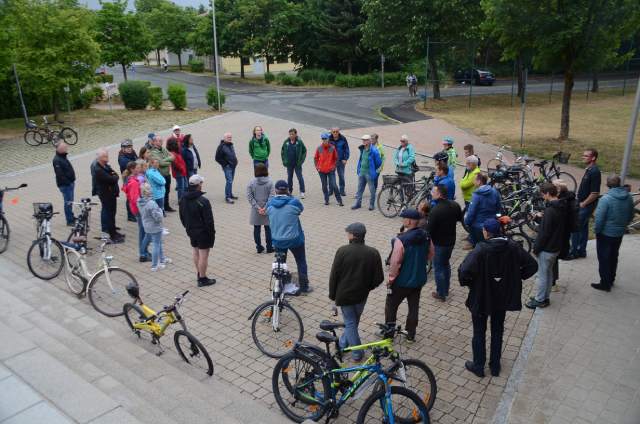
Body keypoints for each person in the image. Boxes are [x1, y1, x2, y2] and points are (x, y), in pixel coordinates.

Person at [458, 218, 538, 377]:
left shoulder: (480, 250)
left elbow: (464, 271)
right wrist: (515, 278)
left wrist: (471, 284)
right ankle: (495, 366)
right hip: (502, 297)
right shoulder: (513, 247)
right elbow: (532, 265)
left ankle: (478, 366)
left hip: (481, 297)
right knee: (497, 330)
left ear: (486, 232)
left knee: (479, 332)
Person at [329, 222, 384, 361]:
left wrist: (332, 294)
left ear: (353, 235)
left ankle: (357, 353)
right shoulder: (373, 252)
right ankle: (342, 345)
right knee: (353, 321)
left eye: (348, 232)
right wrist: (368, 287)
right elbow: (379, 278)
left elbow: (334, 275)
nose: (347, 234)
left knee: (350, 322)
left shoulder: (342, 251)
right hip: (361, 296)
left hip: (344, 295)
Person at [386, 209, 433, 342]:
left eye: (404, 218)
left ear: (410, 221)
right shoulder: (426, 235)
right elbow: (431, 255)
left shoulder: (400, 240)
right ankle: (410, 334)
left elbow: (395, 263)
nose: (403, 220)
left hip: (401, 282)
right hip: (418, 279)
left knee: (391, 306)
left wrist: (391, 279)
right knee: (413, 307)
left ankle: (389, 334)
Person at [525, 183, 566, 309]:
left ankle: (539, 299)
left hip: (548, 248)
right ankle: (545, 297)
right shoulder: (561, 206)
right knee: (548, 273)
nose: (542, 197)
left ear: (548, 193)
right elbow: (552, 226)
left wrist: (536, 249)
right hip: (556, 246)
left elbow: (544, 233)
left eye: (543, 194)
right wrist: (540, 218)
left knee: (542, 275)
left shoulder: (550, 211)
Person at [267, 180, 311, 295]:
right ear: (287, 190)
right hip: (295, 239)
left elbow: (267, 213)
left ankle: (281, 287)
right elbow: (300, 209)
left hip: (278, 241)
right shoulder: (294, 202)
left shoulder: (270, 204)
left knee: (281, 265)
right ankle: (304, 287)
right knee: (301, 261)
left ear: (275, 190)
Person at [592, 175, 634, 292]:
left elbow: (599, 219)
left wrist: (596, 230)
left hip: (605, 234)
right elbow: (631, 214)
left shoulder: (606, 199)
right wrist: (623, 225)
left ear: (607, 185)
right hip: (619, 233)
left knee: (604, 258)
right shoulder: (628, 197)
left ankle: (605, 283)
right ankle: (611, 278)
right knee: (614, 256)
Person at [179, 175, 216, 287]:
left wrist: (187, 227)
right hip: (202, 232)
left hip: (191, 230)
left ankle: (199, 273)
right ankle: (202, 278)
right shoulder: (203, 201)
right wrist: (211, 233)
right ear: (199, 184)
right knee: (203, 255)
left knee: (195, 251)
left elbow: (182, 216)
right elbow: (209, 221)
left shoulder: (183, 198)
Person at [427, 185, 463, 302]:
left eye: (433, 191)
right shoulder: (455, 205)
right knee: (446, 264)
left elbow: (429, 231)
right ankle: (446, 289)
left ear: (439, 194)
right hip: (451, 242)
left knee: (438, 268)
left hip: (439, 244)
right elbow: (459, 219)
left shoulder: (435, 211)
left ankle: (441, 293)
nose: (431, 193)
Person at [568, 148, 601, 259]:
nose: (583, 157)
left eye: (586, 156)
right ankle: (582, 251)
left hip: (586, 205)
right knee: (583, 227)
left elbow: (595, 193)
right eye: (584, 155)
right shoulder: (589, 170)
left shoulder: (595, 172)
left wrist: (583, 203)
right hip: (583, 203)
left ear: (593, 158)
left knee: (575, 228)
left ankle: (574, 252)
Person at [138, 183, 171, 272]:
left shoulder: (140, 201)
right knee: (156, 244)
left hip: (147, 225)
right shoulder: (152, 203)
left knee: (158, 242)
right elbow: (158, 217)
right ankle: (155, 265)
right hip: (155, 227)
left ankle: (163, 259)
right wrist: (160, 211)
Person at [94, 149, 124, 243]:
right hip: (106, 194)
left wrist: (114, 176)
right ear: (100, 158)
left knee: (113, 212)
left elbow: (115, 174)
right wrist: (114, 176)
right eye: (105, 156)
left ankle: (114, 231)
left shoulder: (105, 165)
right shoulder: (98, 169)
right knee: (109, 214)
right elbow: (112, 179)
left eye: (107, 156)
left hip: (111, 193)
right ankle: (112, 235)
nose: (107, 158)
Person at [123, 160, 150, 262]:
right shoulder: (133, 182)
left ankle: (145, 252)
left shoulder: (133, 179)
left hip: (138, 209)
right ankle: (143, 254)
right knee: (143, 232)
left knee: (144, 231)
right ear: (132, 169)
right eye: (138, 168)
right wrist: (143, 210)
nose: (140, 170)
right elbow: (135, 200)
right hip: (139, 210)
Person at [465, 173, 501, 246]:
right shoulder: (494, 191)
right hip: (491, 225)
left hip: (478, 227)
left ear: (479, 181)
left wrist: (467, 222)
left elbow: (471, 213)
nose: (473, 182)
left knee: (480, 246)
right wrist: (497, 219)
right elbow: (498, 208)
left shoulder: (476, 195)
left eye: (474, 180)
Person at [247, 164, 275, 253]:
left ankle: (258, 247)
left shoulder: (251, 182)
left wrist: (258, 208)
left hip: (256, 210)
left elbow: (249, 197)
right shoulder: (270, 182)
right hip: (267, 209)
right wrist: (265, 208)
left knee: (256, 228)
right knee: (268, 228)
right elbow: (272, 197)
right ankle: (269, 247)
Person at [352, 135, 383, 211]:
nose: (364, 141)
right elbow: (361, 159)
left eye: (365, 140)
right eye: (363, 140)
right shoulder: (362, 149)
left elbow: (379, 162)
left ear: (369, 141)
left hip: (369, 173)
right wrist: (359, 169)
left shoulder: (374, 150)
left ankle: (371, 205)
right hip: (362, 172)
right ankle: (358, 204)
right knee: (360, 189)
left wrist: (374, 170)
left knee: (372, 190)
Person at [314, 132, 343, 206]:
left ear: (328, 139)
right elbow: (315, 158)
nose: (324, 140)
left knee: (334, 185)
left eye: (325, 139)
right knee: (324, 186)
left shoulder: (332, 148)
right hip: (322, 171)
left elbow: (336, 158)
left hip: (330, 170)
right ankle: (326, 200)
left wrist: (334, 167)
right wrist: (317, 167)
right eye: (323, 139)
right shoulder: (319, 148)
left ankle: (339, 200)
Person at [148, 136, 175, 212]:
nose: (161, 142)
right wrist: (168, 162)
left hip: (167, 174)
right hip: (160, 175)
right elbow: (160, 163)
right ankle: (161, 208)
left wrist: (164, 160)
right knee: (161, 192)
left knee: (167, 191)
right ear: (154, 142)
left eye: (161, 140)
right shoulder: (153, 152)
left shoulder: (164, 149)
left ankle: (166, 206)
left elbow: (173, 157)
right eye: (159, 141)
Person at [52, 142, 76, 226]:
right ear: (60, 149)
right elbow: (60, 174)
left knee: (70, 201)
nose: (66, 150)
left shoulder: (62, 157)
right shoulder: (57, 160)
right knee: (68, 202)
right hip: (65, 185)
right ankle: (69, 220)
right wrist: (68, 183)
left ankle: (71, 216)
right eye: (65, 148)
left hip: (69, 184)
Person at [280, 128, 307, 198]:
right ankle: (289, 191)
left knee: (300, 177)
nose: (291, 136)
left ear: (296, 134)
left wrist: (301, 161)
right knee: (289, 178)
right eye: (290, 134)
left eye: (292, 134)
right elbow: (282, 151)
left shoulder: (299, 142)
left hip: (297, 164)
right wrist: (284, 161)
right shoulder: (286, 142)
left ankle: (302, 191)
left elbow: (304, 151)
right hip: (289, 164)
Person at [215, 132, 239, 204]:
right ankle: (227, 197)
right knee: (229, 181)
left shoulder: (231, 145)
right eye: (228, 137)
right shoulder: (221, 146)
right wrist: (225, 164)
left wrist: (236, 160)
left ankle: (230, 194)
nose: (230, 138)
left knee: (231, 181)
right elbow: (217, 158)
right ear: (224, 138)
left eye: (230, 137)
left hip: (233, 166)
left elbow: (232, 154)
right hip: (227, 167)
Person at [118, 139, 138, 222]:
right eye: (127, 147)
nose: (129, 148)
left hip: (134, 176)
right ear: (123, 148)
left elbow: (136, 160)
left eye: (130, 146)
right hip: (127, 178)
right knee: (129, 197)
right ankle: (130, 215)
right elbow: (133, 164)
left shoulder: (132, 152)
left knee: (135, 195)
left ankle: (134, 211)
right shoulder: (122, 158)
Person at [329, 127, 349, 197]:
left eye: (336, 131)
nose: (335, 133)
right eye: (333, 132)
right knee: (331, 176)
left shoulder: (343, 138)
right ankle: (331, 190)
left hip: (341, 161)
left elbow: (346, 149)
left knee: (341, 176)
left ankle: (342, 190)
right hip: (331, 161)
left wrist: (345, 159)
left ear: (339, 132)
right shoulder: (328, 139)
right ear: (331, 132)